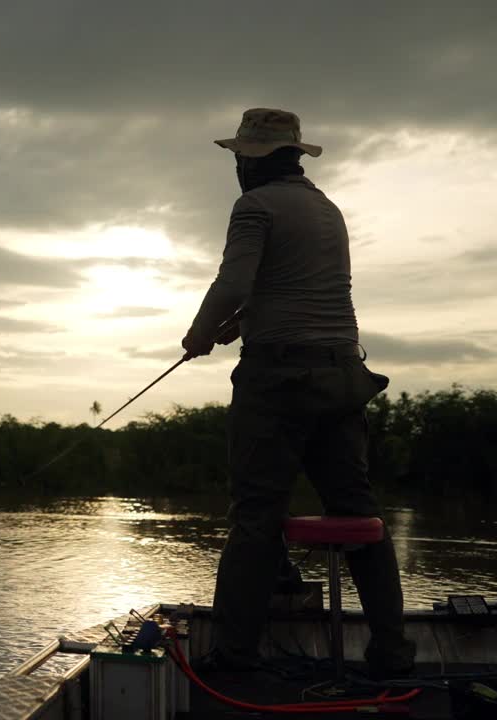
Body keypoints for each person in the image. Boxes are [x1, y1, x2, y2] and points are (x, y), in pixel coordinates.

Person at [181, 108, 416, 678]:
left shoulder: (253, 206)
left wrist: (197, 333)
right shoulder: (325, 208)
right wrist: (237, 323)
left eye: (239, 156)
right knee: (357, 507)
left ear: (251, 159)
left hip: (277, 379)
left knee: (257, 516)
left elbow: (234, 282)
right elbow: (294, 288)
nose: (236, 165)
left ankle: (235, 658)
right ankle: (392, 654)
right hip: (342, 376)